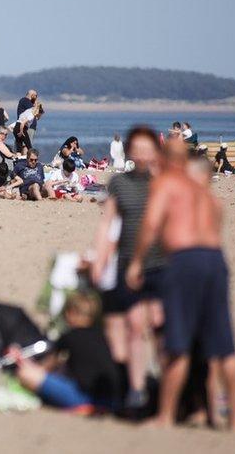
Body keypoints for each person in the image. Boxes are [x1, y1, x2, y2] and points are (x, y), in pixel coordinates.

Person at [126, 138, 235, 430]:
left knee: (178, 342)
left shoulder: (167, 183)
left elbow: (151, 224)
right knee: (223, 345)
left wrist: (137, 262)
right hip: (215, 260)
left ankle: (165, 416)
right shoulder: (207, 195)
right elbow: (216, 226)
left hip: (185, 260)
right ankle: (232, 419)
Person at [90, 125, 165, 411]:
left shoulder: (163, 182)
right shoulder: (119, 184)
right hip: (128, 264)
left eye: (149, 148)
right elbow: (107, 225)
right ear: (130, 151)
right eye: (138, 148)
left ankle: (164, 383)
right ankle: (136, 389)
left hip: (161, 264)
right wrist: (99, 260)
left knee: (159, 325)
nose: (143, 153)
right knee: (134, 325)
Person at [8, 292, 121, 412]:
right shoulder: (101, 336)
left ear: (71, 313)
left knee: (26, 374)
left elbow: (45, 368)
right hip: (112, 400)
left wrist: (24, 362)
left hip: (85, 400)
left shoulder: (70, 336)